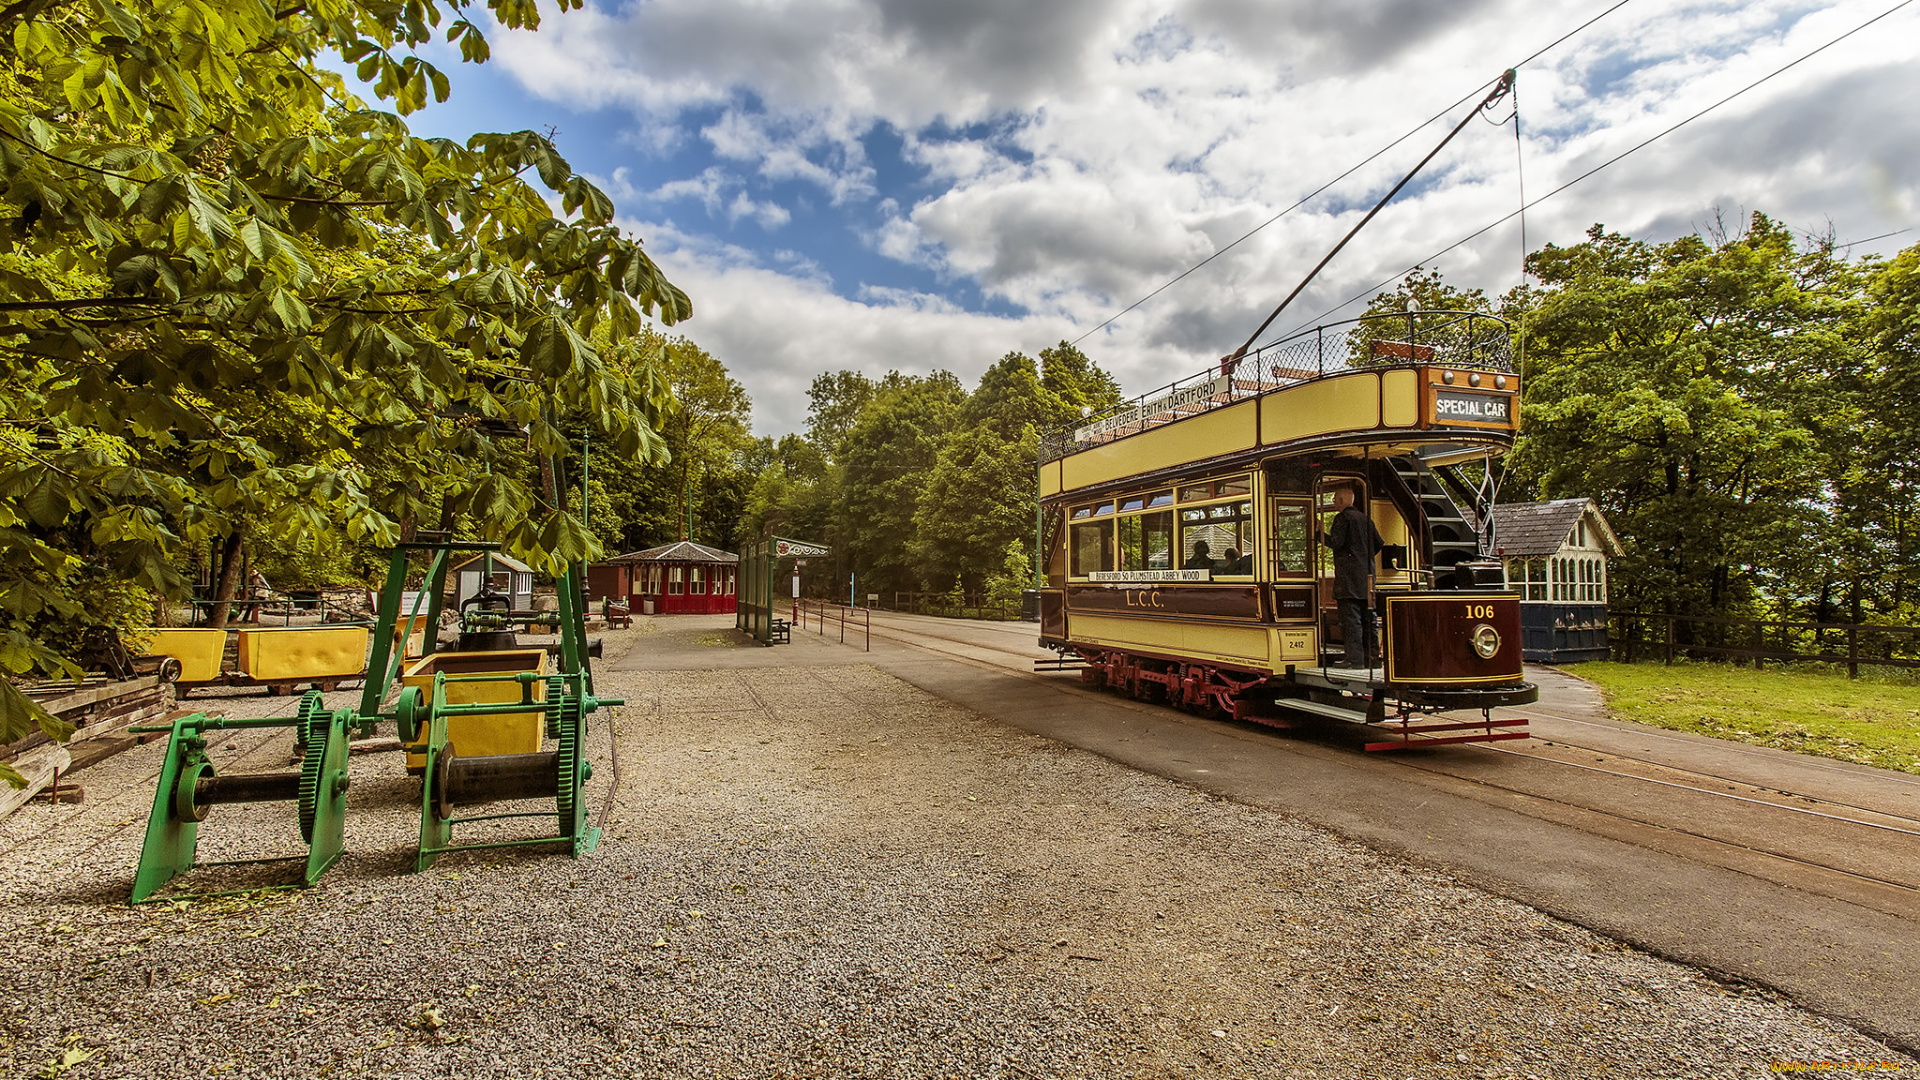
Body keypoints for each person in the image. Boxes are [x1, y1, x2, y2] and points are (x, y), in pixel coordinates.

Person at [1323, 483, 1383, 667]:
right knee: (1369, 618)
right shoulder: (1367, 520)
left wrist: (1319, 534)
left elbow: (1337, 543)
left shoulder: (1342, 519)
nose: (1333, 502)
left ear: (1341, 500)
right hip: (1367, 576)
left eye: (1334, 499)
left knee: (1351, 620)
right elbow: (1379, 543)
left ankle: (1354, 659)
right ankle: (1373, 659)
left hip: (1348, 578)